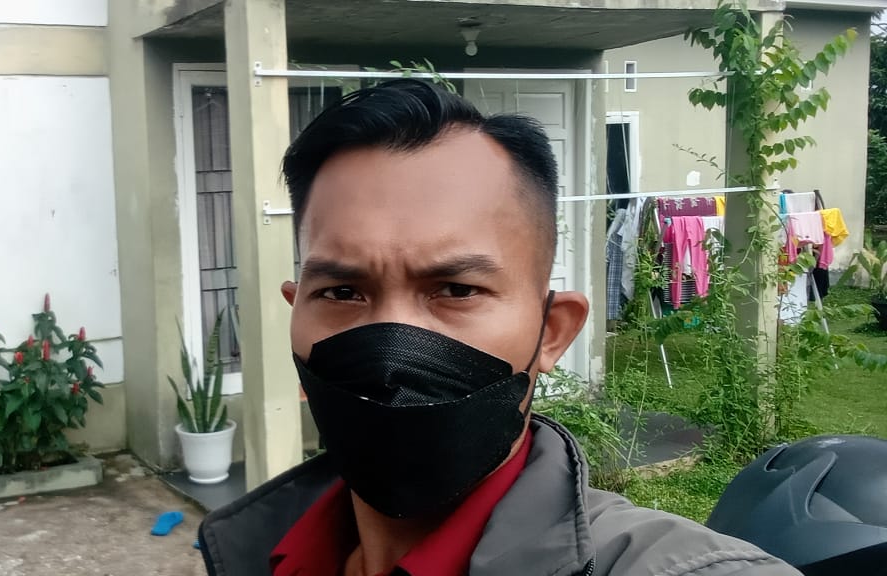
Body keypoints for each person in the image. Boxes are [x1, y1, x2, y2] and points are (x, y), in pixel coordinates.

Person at [196, 79, 799, 576]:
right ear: (296, 314)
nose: (390, 354)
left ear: (553, 331)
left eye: (457, 290)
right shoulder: (250, 548)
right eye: (342, 292)